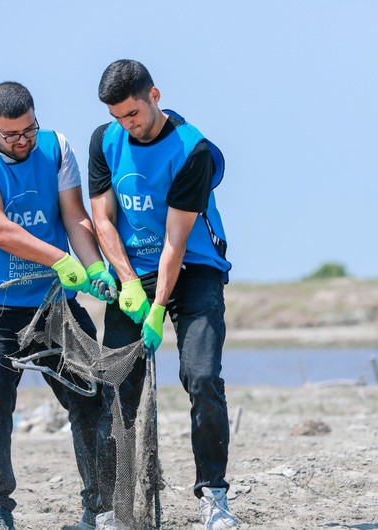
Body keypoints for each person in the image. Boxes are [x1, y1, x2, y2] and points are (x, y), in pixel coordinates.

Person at [0, 81, 114, 530]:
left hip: (53, 301)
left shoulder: (56, 148)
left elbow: (74, 216)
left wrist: (93, 267)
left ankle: (98, 510)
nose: (22, 142)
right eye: (11, 135)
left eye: (29, 131)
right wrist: (60, 259)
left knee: (92, 394)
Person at [88, 59, 235, 529]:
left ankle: (213, 496)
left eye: (132, 113)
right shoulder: (104, 140)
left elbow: (176, 240)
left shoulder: (193, 150)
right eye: (116, 116)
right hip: (134, 271)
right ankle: (116, 503)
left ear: (155, 96)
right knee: (116, 382)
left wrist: (156, 311)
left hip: (192, 268)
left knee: (202, 377)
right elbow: (103, 218)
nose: (125, 124)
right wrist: (129, 283)